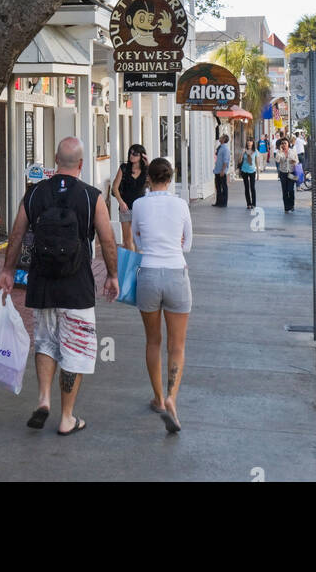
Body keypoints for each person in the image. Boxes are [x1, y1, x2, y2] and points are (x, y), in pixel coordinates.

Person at [0, 136, 119, 435]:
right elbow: (106, 239)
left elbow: (16, 234)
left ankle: (43, 399)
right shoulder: (93, 197)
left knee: (46, 342)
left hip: (42, 283)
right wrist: (112, 275)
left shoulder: (35, 193)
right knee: (75, 349)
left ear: (56, 160)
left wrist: (8, 271)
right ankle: (67, 417)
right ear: (81, 163)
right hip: (77, 285)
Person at [131, 156, 193, 434]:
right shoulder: (180, 205)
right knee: (176, 345)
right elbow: (188, 244)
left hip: (149, 273)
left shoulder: (139, 205)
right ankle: (172, 397)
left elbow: (136, 239)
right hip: (176, 272)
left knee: (153, 341)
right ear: (171, 178)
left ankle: (157, 398)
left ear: (149, 178)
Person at [112, 143, 149, 250]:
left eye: (135, 154)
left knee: (139, 239)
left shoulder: (146, 170)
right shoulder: (124, 168)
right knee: (128, 241)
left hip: (141, 208)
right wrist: (121, 202)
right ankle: (133, 265)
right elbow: (115, 187)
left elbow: (153, 182)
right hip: (126, 207)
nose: (131, 155)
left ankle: (138, 264)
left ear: (142, 156)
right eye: (130, 153)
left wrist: (148, 164)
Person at [275, 136, 299, 213]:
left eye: (285, 143)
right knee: (285, 191)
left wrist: (294, 161)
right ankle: (286, 207)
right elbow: (277, 160)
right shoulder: (279, 152)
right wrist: (280, 151)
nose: (284, 144)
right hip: (283, 173)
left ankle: (291, 205)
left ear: (288, 143)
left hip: (291, 173)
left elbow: (297, 161)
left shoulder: (292, 151)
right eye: (282, 143)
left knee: (291, 190)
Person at [239, 138, 258, 209]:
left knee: (252, 187)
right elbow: (240, 161)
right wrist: (242, 153)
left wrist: (258, 174)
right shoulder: (244, 151)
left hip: (252, 171)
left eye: (250, 141)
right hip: (244, 170)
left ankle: (254, 203)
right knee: (246, 188)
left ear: (253, 143)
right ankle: (248, 204)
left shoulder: (255, 151)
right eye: (248, 142)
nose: (249, 143)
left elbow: (256, 162)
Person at [213, 133, 230, 206]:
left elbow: (225, 161)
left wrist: (223, 170)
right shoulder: (220, 147)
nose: (219, 138)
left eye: (221, 137)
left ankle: (224, 203)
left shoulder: (225, 149)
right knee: (218, 187)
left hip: (221, 171)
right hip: (217, 170)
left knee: (223, 187)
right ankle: (218, 202)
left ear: (224, 140)